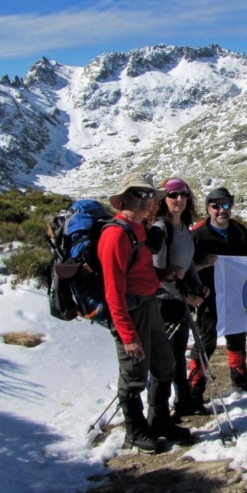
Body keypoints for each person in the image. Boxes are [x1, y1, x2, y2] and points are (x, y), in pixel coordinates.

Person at [98, 173, 173, 452]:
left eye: (149, 196)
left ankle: (159, 422)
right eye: (139, 195)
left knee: (165, 366)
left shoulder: (139, 228)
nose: (146, 201)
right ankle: (135, 431)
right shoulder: (116, 234)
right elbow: (113, 290)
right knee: (133, 376)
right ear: (124, 199)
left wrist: (162, 275)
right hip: (132, 311)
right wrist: (128, 335)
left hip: (150, 303)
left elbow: (140, 270)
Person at [147, 177, 206, 441]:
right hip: (163, 303)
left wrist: (198, 286)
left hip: (178, 303)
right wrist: (185, 298)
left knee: (178, 354)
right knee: (163, 363)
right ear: (163, 200)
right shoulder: (161, 228)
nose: (179, 200)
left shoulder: (183, 227)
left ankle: (183, 402)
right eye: (173, 196)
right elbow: (158, 273)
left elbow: (188, 262)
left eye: (183, 195)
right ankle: (158, 420)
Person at [189, 187, 247, 404]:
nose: (221, 210)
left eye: (226, 205)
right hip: (208, 296)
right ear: (208, 209)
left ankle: (239, 376)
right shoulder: (198, 234)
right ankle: (195, 385)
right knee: (206, 340)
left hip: (237, 294)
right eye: (216, 206)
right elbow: (185, 268)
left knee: (237, 336)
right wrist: (201, 264)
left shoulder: (239, 231)